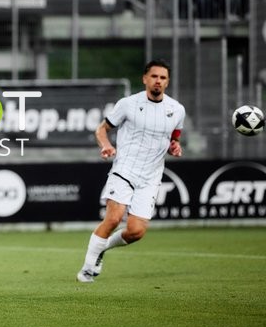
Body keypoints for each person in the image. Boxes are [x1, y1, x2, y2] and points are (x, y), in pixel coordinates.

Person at [76, 60, 185, 283]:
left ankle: (102, 247)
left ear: (167, 82)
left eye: (163, 78)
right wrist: (106, 145)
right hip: (124, 170)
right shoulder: (128, 104)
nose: (158, 81)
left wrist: (175, 146)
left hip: (151, 178)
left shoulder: (177, 110)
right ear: (145, 79)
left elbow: (174, 138)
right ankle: (87, 270)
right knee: (114, 218)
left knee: (136, 232)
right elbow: (101, 130)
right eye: (154, 76)